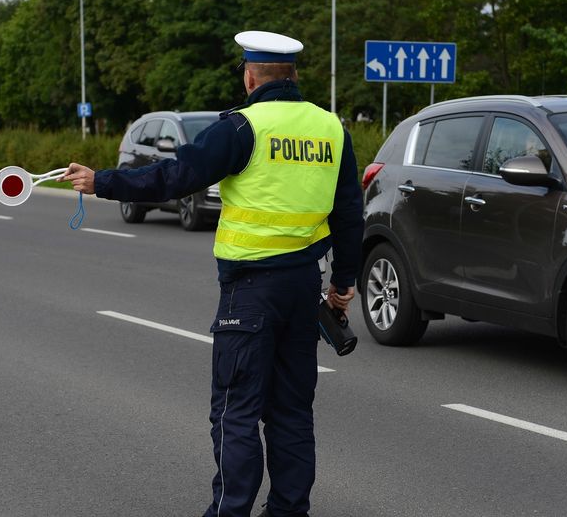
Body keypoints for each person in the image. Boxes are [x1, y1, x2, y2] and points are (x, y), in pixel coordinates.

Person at [61, 31, 364, 517]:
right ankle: (289, 511)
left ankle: (230, 511)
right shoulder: (332, 129)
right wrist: (343, 283)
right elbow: (350, 214)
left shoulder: (242, 127)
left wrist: (103, 181)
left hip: (251, 292)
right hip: (304, 289)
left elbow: (175, 177)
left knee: (236, 411)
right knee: (291, 412)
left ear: (251, 77)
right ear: (293, 75)